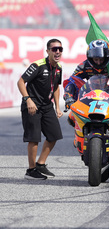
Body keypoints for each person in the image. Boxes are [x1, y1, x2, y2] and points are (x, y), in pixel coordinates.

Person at [63, 39, 109, 158]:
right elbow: (72, 82)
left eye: (101, 59)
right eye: (96, 59)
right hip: (89, 97)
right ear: (90, 57)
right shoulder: (83, 65)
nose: (99, 62)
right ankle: (78, 136)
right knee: (71, 116)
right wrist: (68, 96)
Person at [17, 39, 63, 180]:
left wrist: (57, 107)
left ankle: (40, 164)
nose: (57, 52)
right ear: (47, 51)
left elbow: (55, 87)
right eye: (54, 49)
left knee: (54, 135)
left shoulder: (59, 68)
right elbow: (20, 82)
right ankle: (31, 171)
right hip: (32, 105)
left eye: (60, 49)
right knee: (34, 138)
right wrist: (28, 99)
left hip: (47, 106)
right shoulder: (37, 65)